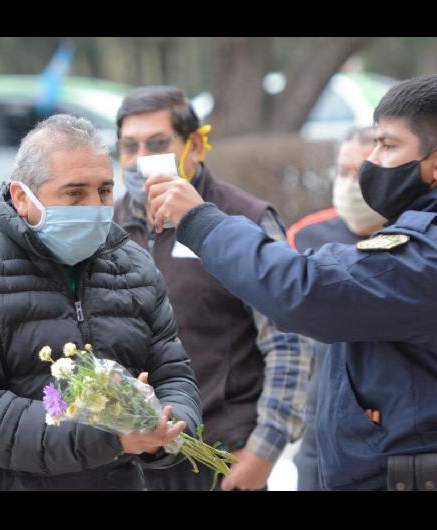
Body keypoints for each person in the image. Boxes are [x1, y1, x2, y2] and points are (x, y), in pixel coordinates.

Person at [145, 74, 437, 491]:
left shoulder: (435, 256)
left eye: (389, 145)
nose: (371, 160)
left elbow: (303, 289)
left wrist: (202, 222)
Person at [0, 113, 202, 491]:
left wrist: (166, 430)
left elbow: (173, 373)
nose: (94, 206)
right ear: (21, 197)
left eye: (105, 191)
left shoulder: (133, 266)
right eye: (75, 193)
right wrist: (110, 437)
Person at [113, 85, 312, 491]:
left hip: (222, 458)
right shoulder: (104, 228)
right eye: (128, 146)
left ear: (196, 147)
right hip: (131, 463)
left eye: (156, 143)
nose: (140, 160)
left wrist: (263, 451)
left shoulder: (244, 220)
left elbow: (288, 340)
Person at [287, 126, 385, 491]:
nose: (347, 182)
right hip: (324, 408)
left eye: (357, 173)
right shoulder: (306, 235)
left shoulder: (415, 233)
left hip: (394, 415)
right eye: (342, 171)